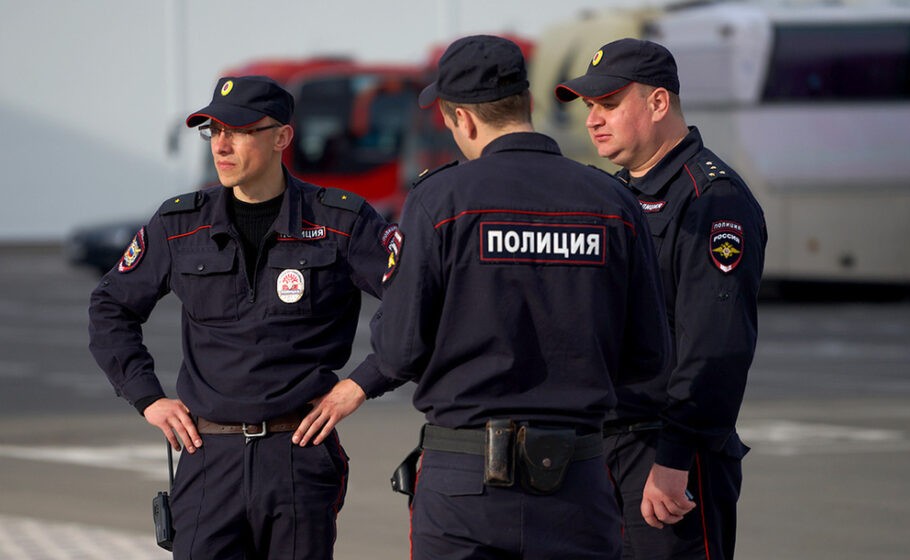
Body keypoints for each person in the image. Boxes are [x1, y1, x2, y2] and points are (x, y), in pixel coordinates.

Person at [293, 35, 671, 560]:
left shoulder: (439, 200)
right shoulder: (613, 200)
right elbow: (649, 355)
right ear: (527, 103)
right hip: (578, 479)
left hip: (466, 481)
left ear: (463, 120)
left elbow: (400, 348)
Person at [88, 75, 396, 559]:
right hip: (208, 457)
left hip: (297, 455)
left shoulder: (339, 221)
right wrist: (147, 398)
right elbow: (111, 307)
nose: (222, 145)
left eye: (239, 131)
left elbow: (415, 302)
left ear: (282, 137)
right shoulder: (179, 224)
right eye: (214, 131)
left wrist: (360, 385)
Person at [555, 38, 768, 560]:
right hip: (604, 448)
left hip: (669, 452)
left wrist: (674, 458)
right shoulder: (617, 195)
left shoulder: (712, 199)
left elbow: (716, 347)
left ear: (657, 103)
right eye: (589, 107)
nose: (593, 120)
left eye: (609, 104)